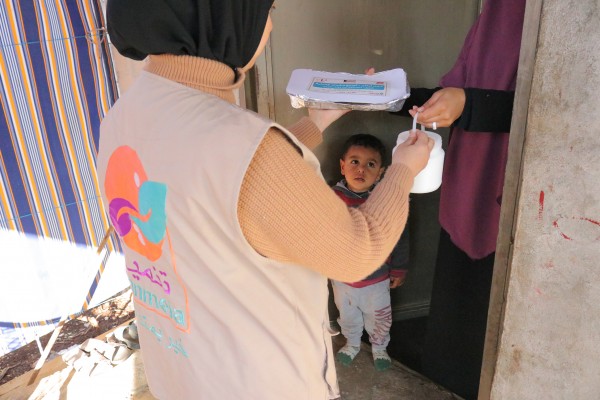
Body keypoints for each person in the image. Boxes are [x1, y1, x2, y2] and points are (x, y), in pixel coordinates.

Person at [97, 1, 433, 399]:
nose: (269, 26)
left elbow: (224, 184)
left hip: (178, 367)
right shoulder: (242, 142)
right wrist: (403, 169)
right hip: (255, 382)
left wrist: (316, 122)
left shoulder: (125, 113)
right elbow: (359, 251)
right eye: (267, 9)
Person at [391, 0, 527, 398]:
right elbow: (459, 96)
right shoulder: (501, 9)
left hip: (519, 194)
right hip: (472, 183)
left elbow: (559, 105)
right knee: (458, 312)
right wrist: (389, 96)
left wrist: (469, 104)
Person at [330, 134, 410, 372]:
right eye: (354, 162)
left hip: (377, 278)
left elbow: (399, 235)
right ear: (342, 166)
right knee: (348, 315)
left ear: (380, 172)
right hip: (342, 279)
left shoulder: (386, 200)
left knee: (379, 317)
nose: (361, 169)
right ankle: (352, 343)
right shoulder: (331, 198)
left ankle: (379, 348)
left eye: (370, 164)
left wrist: (399, 268)